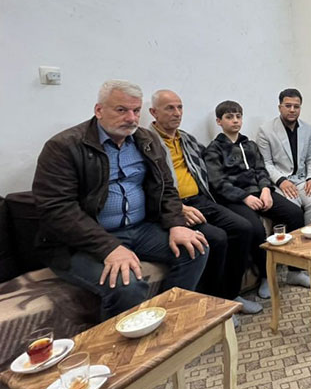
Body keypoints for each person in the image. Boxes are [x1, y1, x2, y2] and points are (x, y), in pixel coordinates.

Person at [32, 80, 208, 320]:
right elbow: (56, 209)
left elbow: (165, 186)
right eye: (121, 110)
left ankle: (168, 319)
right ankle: (120, 344)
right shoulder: (64, 146)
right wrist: (109, 247)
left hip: (140, 229)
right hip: (80, 243)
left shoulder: (146, 140)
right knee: (126, 284)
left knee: (196, 248)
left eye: (136, 111)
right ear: (99, 110)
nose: (131, 118)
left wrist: (176, 224)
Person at [148, 89, 263, 319]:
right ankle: (214, 304)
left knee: (243, 228)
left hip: (201, 200)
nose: (177, 113)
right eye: (169, 108)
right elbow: (148, 186)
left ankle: (231, 295)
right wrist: (178, 208)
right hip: (175, 206)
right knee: (217, 238)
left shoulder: (187, 139)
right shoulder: (147, 143)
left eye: (180, 107)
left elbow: (211, 171)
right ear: (153, 112)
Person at [204, 100, 307, 298]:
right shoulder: (214, 150)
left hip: (260, 192)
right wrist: (245, 197)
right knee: (255, 228)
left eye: (238, 116)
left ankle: (295, 271)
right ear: (219, 121)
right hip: (236, 199)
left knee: (294, 213)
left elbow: (261, 170)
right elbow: (218, 183)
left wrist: (266, 190)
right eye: (229, 117)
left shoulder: (249, 145)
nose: (235, 121)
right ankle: (266, 276)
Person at [256, 88, 311, 225]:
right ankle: (297, 239)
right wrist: (281, 181)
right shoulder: (265, 130)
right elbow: (266, 163)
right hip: (280, 181)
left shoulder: (308, 128)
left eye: (296, 106)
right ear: (280, 107)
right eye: (288, 106)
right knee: (293, 207)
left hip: (302, 179)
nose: (292, 110)